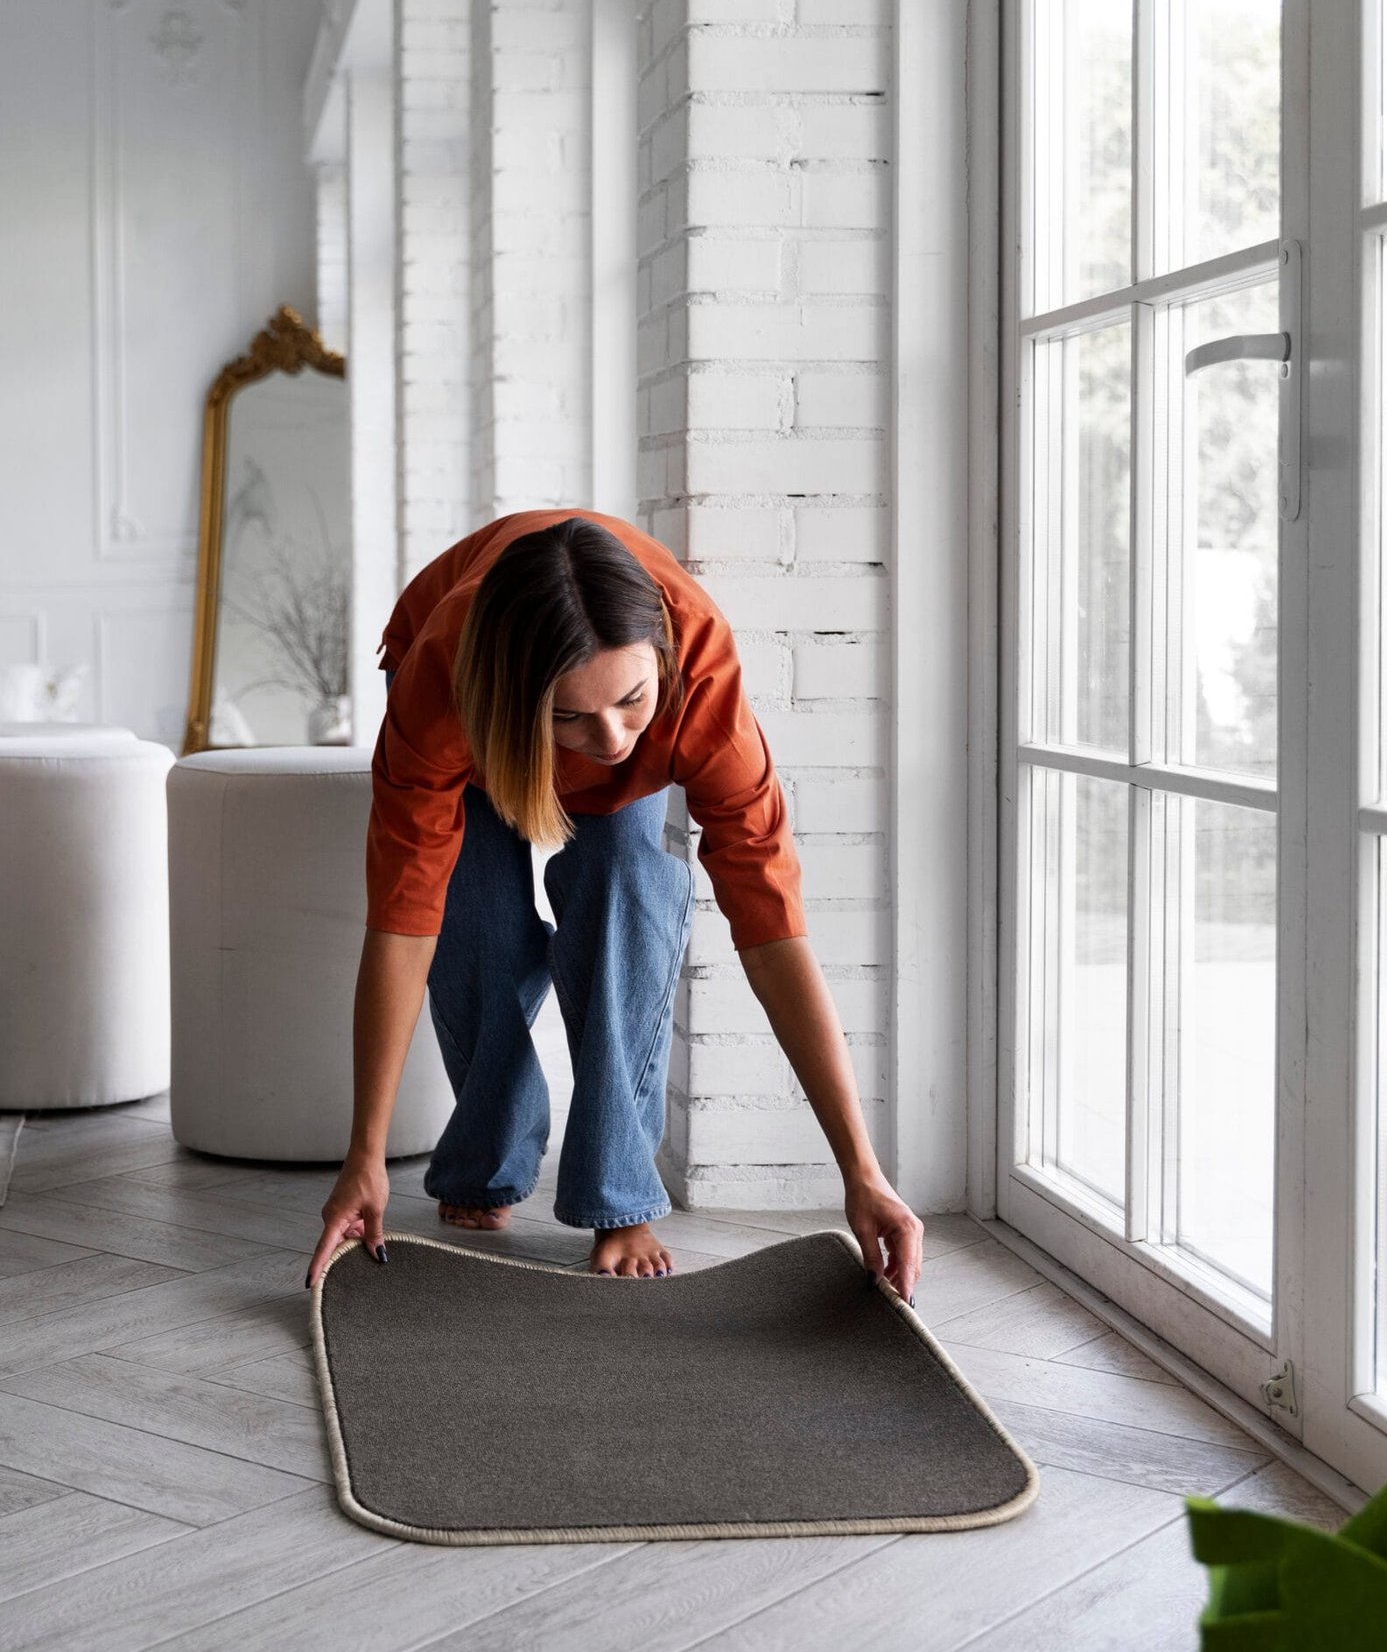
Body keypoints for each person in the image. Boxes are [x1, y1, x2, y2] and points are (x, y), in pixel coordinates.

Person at [306, 510, 924, 1299]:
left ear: (660, 662)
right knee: (474, 916)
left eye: (630, 699)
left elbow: (773, 929)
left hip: (601, 703)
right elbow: (402, 923)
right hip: (482, 718)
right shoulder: (446, 688)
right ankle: (488, 1149)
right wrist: (363, 1154)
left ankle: (620, 1196)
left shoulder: (698, 680)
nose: (612, 740)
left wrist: (863, 1171)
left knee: (625, 885)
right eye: (573, 715)